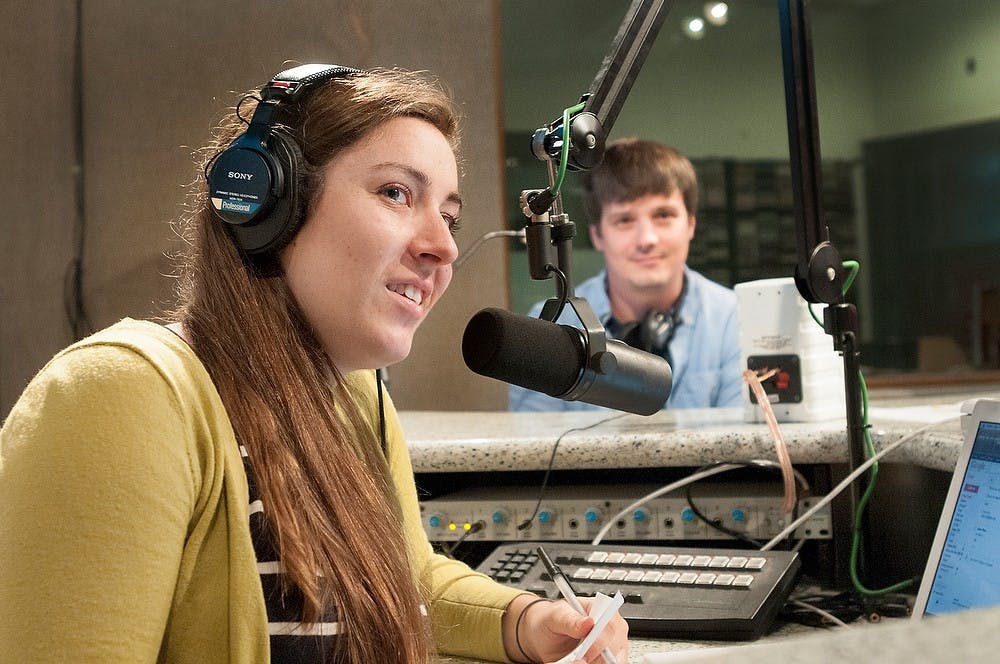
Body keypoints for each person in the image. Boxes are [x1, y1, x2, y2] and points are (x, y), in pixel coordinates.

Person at [0, 64, 628, 664]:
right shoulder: (123, 396)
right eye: (396, 193)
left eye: (449, 216)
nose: (443, 246)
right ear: (268, 204)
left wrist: (529, 621)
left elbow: (410, 585)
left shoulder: (352, 394)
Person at [509, 138, 742, 412]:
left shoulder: (736, 318)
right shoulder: (552, 326)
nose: (647, 239)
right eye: (625, 220)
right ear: (597, 235)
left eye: (663, 215)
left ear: (691, 224)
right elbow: (536, 444)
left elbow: (744, 445)